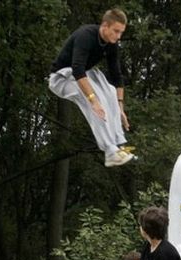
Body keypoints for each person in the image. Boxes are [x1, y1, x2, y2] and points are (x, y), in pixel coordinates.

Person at [49, 8, 135, 168]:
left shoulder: (112, 45)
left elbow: (117, 76)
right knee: (96, 102)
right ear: (105, 25)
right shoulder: (86, 35)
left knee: (109, 91)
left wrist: (120, 107)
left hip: (84, 75)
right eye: (116, 31)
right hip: (61, 78)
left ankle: (119, 144)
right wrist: (93, 101)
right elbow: (77, 69)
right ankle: (110, 152)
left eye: (121, 33)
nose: (118, 36)